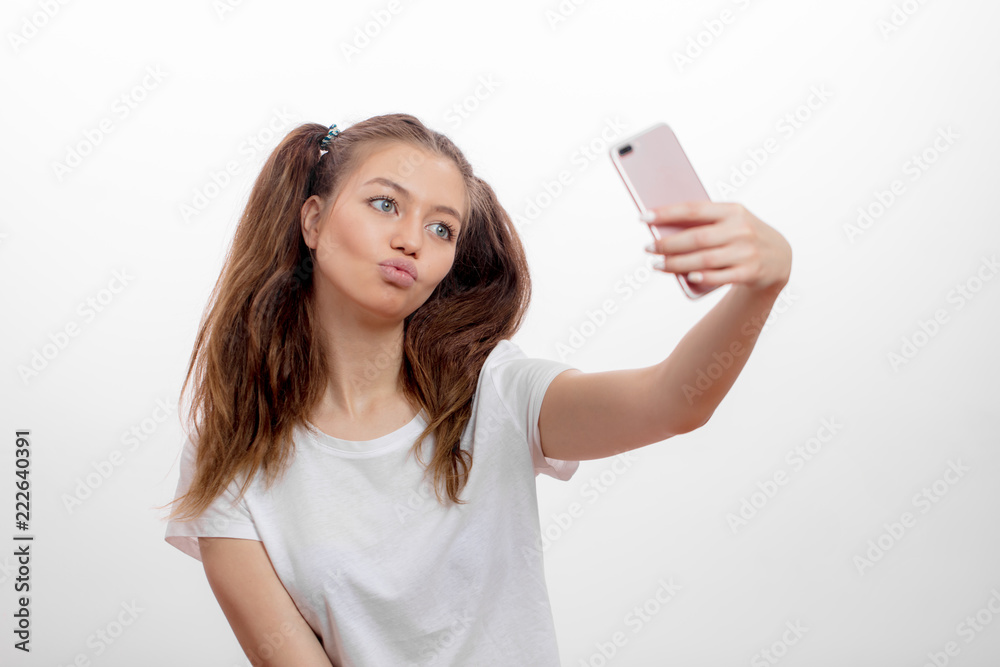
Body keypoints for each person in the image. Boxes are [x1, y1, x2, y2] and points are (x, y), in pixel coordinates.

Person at [160, 113, 792, 666]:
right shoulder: (231, 452)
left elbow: (671, 403)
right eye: (386, 204)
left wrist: (761, 286)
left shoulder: (495, 391)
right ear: (314, 220)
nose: (411, 238)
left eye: (443, 229)